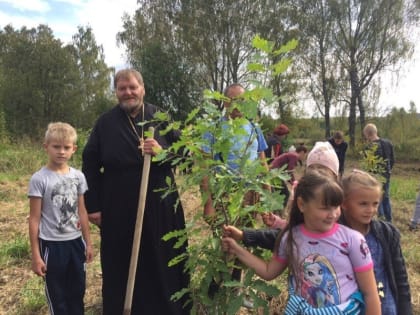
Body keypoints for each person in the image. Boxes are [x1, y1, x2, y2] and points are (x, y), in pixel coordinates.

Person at [82, 69, 190, 315]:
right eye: (122, 88)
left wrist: (162, 151)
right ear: (116, 92)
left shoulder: (161, 118)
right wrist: (94, 206)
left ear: (142, 88)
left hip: (161, 204)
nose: (128, 92)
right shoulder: (105, 123)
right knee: (121, 261)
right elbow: (89, 163)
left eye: (132, 87)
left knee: (162, 258)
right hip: (117, 206)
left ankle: (166, 309)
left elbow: (186, 155)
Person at [222, 171, 381, 314]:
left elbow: (370, 293)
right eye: (325, 208)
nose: (332, 214)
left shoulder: (353, 240)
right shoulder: (290, 238)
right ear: (302, 204)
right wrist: (236, 249)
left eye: (336, 207)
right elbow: (269, 271)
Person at [28, 122, 93, 315]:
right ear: (46, 146)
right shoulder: (39, 179)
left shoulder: (78, 177)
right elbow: (34, 218)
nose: (61, 152)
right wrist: (36, 255)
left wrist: (88, 243)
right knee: (58, 296)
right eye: (56, 147)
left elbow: (82, 211)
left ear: (74, 149)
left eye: (66, 147)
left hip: (75, 243)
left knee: (77, 292)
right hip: (51, 246)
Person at [341, 169, 412, 315]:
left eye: (375, 204)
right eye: (363, 204)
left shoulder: (387, 234)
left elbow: (401, 278)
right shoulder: (336, 236)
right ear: (344, 203)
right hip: (350, 307)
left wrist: (405, 309)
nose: (371, 210)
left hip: (385, 306)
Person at [202, 83, 269, 218]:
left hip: (251, 194)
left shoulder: (254, 128)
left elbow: (263, 164)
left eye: (242, 100)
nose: (239, 104)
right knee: (225, 237)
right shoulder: (213, 130)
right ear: (225, 102)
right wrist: (208, 205)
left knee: (249, 236)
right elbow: (204, 170)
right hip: (224, 194)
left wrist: (268, 197)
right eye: (234, 100)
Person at [363, 123, 395, 222]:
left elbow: (368, 166)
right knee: (386, 196)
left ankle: (381, 220)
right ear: (376, 132)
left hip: (375, 176)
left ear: (368, 134)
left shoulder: (369, 147)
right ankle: (389, 220)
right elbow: (392, 159)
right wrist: (388, 171)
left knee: (378, 198)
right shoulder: (388, 143)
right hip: (387, 174)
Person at [269, 144, 308, 209]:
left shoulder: (292, 155)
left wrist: (292, 182)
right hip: (275, 173)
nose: (304, 157)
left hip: (274, 172)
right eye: (304, 155)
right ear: (302, 152)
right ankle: (281, 210)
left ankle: (278, 210)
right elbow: (290, 171)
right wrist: (294, 183)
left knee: (279, 193)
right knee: (285, 194)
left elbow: (288, 172)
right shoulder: (294, 156)